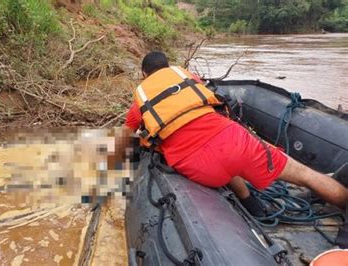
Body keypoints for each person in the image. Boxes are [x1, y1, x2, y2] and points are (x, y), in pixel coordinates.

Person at [123, 51, 348, 214]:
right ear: (167, 65)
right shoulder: (185, 76)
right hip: (233, 142)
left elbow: (126, 135)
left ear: (144, 74)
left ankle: (252, 206)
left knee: (225, 166)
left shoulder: (140, 99)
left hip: (194, 165)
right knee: (305, 175)